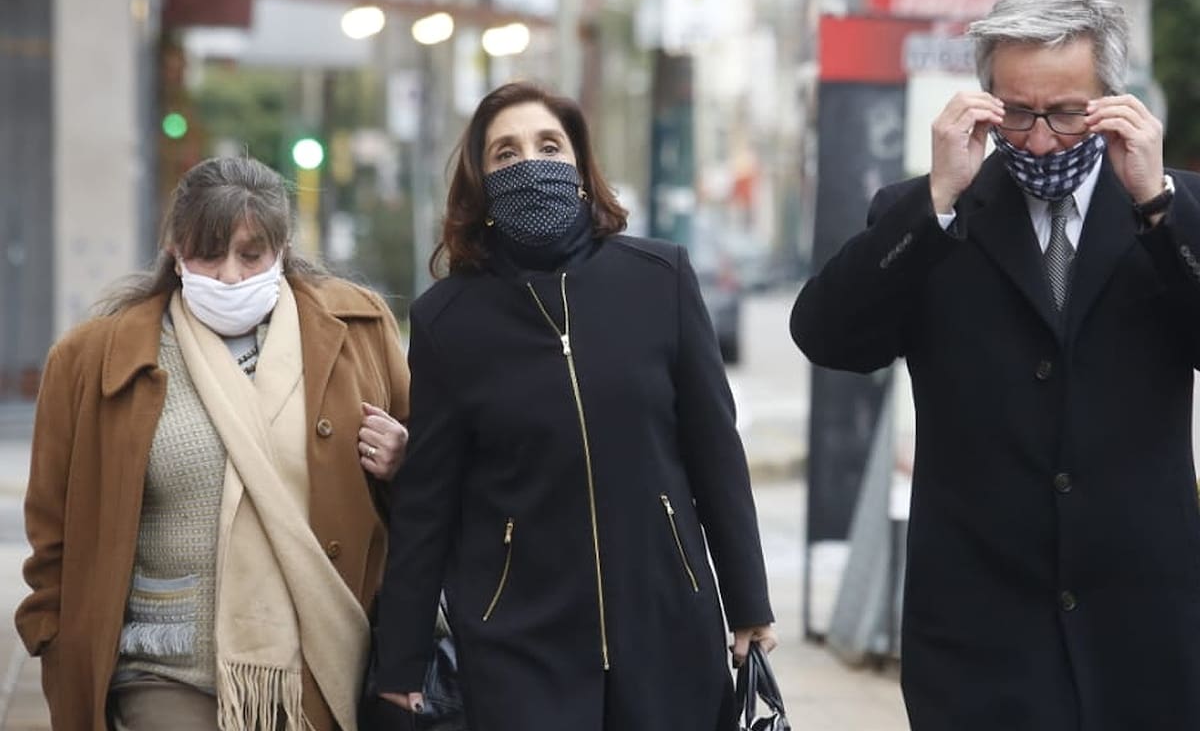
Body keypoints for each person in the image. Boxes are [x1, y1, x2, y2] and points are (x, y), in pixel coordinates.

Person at [791, 0, 1200, 730]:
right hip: (979, 638)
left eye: (1068, 113)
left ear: (1113, 100)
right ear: (984, 101)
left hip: (1143, 632)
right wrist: (935, 203)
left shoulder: (1176, 210)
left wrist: (1158, 210)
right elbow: (827, 337)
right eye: (1017, 112)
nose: (1040, 139)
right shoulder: (926, 214)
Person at [370, 81, 776, 731]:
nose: (529, 163)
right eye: (505, 153)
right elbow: (428, 503)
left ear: (582, 169)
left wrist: (749, 603)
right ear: (480, 184)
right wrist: (402, 665)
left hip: (668, 617)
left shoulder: (660, 279)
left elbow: (715, 451)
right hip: (518, 641)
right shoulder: (447, 321)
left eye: (548, 145)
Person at [15, 156, 411, 731]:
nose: (229, 275)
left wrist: (405, 459)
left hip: (326, 664)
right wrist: (53, 638)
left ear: (282, 249)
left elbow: (434, 495)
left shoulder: (361, 332)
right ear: (175, 249)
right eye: (209, 251)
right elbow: (52, 528)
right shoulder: (91, 360)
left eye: (251, 255)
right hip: (162, 671)